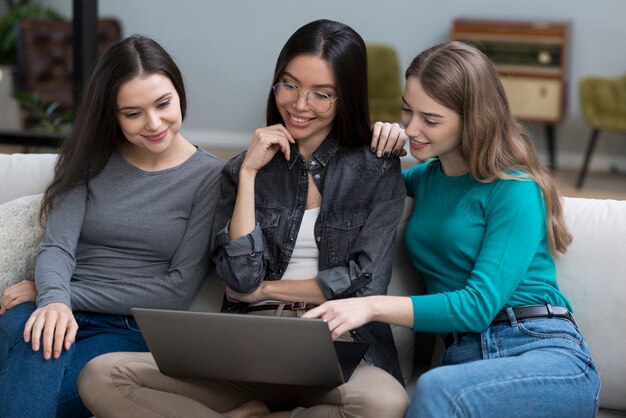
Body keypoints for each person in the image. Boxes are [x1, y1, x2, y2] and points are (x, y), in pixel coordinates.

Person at [78, 19, 410, 418]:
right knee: (102, 374)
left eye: (322, 94)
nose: (299, 105)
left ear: (347, 97)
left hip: (337, 349)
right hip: (249, 349)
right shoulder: (242, 169)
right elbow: (239, 280)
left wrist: (266, 289)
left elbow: (364, 284)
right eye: (289, 85)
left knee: (383, 403)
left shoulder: (375, 167)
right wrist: (250, 174)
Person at [304, 41, 601, 417]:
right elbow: (349, 188)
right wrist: (375, 145)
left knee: (437, 389)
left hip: (540, 350)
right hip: (465, 358)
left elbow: (477, 307)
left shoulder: (515, 189)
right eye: (406, 111)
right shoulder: (426, 178)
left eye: (431, 119)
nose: (411, 128)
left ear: (473, 118)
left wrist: (369, 307)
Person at [0, 35, 223, 418]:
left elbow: (175, 291)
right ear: (113, 114)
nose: (154, 124)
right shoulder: (89, 160)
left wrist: (62, 295)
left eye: (163, 104)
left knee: (39, 365)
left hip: (128, 327)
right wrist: (54, 301)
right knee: (32, 338)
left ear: (179, 93)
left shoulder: (211, 178)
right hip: (51, 307)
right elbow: (57, 247)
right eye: (132, 113)